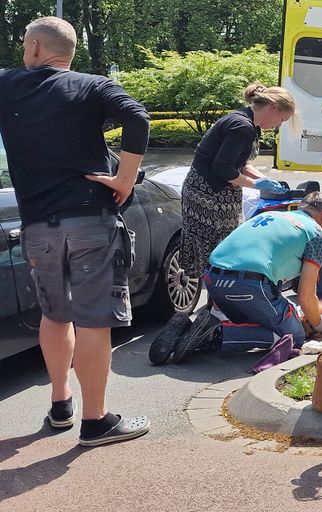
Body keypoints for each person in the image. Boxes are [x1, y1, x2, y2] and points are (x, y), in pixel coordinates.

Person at [0, 17, 150, 446]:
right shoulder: (92, 86)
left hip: (37, 228)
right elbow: (137, 118)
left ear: (32, 48)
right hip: (90, 223)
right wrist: (125, 178)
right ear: (69, 53)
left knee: (54, 313)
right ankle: (96, 420)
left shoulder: (8, 85)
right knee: (94, 321)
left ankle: (60, 403)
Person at [173, 193, 322, 360]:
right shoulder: (317, 235)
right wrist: (319, 324)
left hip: (212, 277)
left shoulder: (271, 214)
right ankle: (216, 334)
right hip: (248, 284)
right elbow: (305, 295)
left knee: (259, 317)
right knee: (294, 337)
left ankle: (185, 330)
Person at [179, 81, 296, 280]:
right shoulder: (241, 126)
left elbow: (239, 163)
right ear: (273, 108)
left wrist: (263, 178)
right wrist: (257, 185)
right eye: (282, 119)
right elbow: (223, 167)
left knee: (225, 245)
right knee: (214, 250)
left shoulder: (250, 124)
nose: (279, 125)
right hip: (208, 194)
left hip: (219, 192)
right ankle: (214, 299)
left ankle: (216, 297)